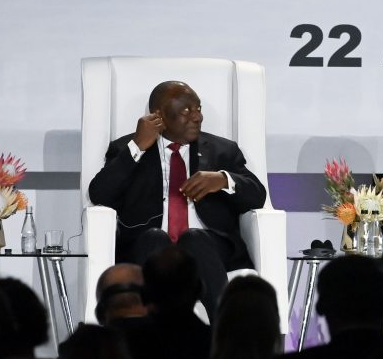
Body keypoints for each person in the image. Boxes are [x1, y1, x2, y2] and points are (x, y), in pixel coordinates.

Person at [88, 80, 267, 318]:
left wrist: (223, 180)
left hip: (208, 247)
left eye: (198, 109)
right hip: (148, 246)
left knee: (194, 238)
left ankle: (225, 329)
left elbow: (257, 196)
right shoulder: (127, 148)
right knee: (153, 238)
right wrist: (137, 147)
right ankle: (150, 333)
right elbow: (99, 194)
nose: (197, 117)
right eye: (186, 111)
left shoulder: (221, 150)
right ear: (158, 116)